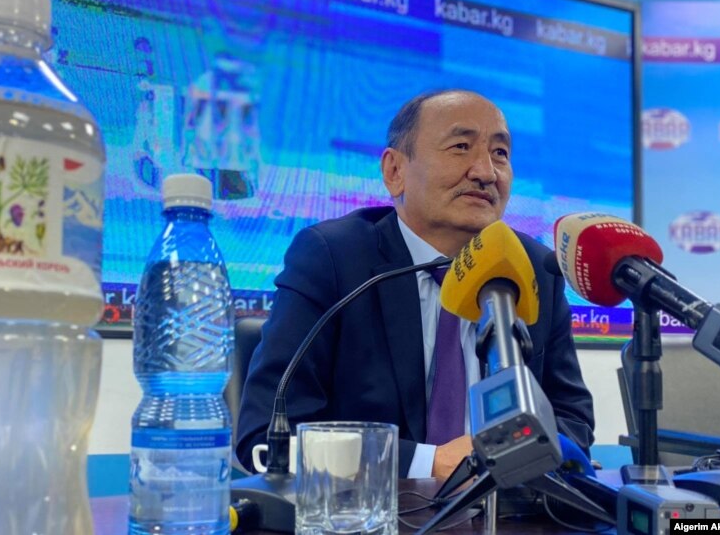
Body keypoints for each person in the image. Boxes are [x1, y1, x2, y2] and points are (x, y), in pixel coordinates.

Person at [235, 89, 594, 479]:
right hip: (375, 508)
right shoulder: (332, 258)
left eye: (500, 153)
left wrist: (519, 463)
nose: (486, 172)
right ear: (395, 171)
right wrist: (429, 463)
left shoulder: (534, 268)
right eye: (461, 147)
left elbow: (572, 419)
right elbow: (266, 439)